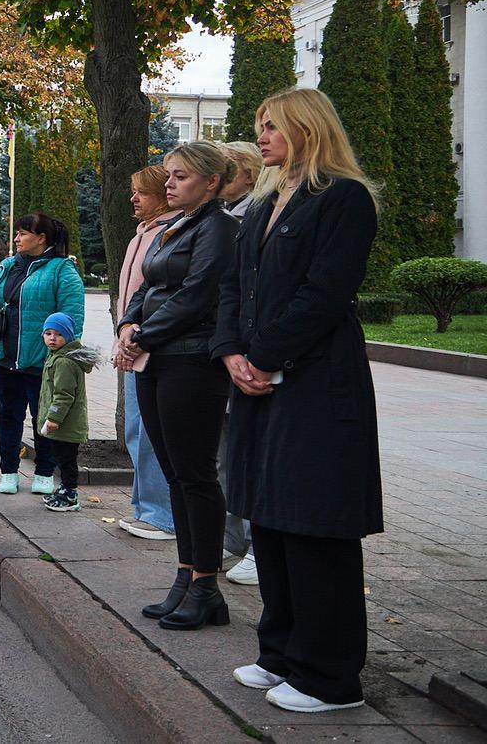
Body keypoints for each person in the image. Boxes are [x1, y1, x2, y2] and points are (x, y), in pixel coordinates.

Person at [214, 88, 383, 714]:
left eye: (272, 126)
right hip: (259, 382)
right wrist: (232, 352)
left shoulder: (343, 198)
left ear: (308, 129)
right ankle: (280, 652)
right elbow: (233, 287)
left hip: (315, 384)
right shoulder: (262, 201)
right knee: (272, 517)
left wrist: (263, 355)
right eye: (258, 126)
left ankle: (330, 677)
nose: (261, 137)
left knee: (314, 524)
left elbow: (324, 293)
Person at [116, 140, 239, 632]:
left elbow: (197, 293)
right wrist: (127, 326)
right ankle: (186, 575)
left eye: (181, 176)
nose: (169, 183)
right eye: (168, 174)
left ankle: (207, 585)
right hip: (157, 358)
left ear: (211, 182)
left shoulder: (220, 227)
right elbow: (147, 286)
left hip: (191, 361)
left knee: (194, 474)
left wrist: (141, 335)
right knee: (172, 471)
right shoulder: (176, 226)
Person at [0, 213, 84, 496]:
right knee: (8, 415)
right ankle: (9, 471)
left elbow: (73, 317)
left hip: (43, 362)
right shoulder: (7, 266)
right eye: (17, 233)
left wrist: (64, 358)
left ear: (41, 239)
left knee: (44, 417)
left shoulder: (62, 270)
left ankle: (44, 471)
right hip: (5, 357)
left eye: (23, 233)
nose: (16, 239)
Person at [116, 166, 181, 543]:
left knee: (151, 432)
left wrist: (139, 334)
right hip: (131, 342)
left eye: (141, 192)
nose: (133, 198)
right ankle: (144, 507)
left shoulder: (168, 233)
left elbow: (161, 293)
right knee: (136, 431)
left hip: (151, 345)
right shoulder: (143, 233)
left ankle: (162, 514)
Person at [219, 140, 266, 586]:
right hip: (221, 348)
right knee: (224, 455)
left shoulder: (255, 213)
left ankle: (256, 545)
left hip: (250, 353)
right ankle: (230, 538)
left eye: (227, 170)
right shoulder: (222, 215)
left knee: (247, 454)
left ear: (250, 173)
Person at [36, 312, 99, 513]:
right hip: (63, 423)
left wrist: (53, 418)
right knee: (62, 457)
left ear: (69, 337)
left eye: (59, 334)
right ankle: (64, 489)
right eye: (48, 333)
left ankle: (70, 494)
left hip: (66, 423)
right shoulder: (56, 357)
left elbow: (64, 395)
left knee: (66, 459)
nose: (52, 338)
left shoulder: (63, 362)